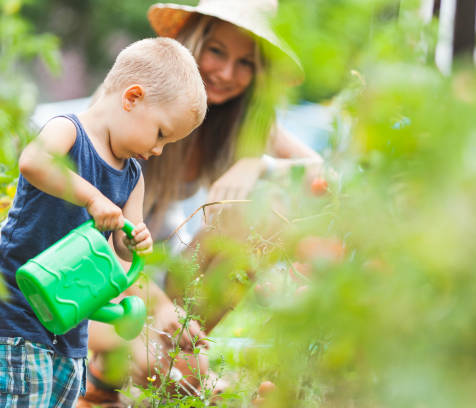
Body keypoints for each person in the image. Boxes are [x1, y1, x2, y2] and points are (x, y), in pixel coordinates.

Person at [80, 0, 324, 406]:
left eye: (246, 63)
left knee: (264, 211)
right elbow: (97, 232)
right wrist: (153, 304)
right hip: (108, 265)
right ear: (193, 42)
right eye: (216, 51)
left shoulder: (244, 120)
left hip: (163, 268)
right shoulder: (137, 99)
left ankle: (173, 347)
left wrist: (254, 164)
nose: (227, 73)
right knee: (170, 375)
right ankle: (107, 373)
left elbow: (318, 174)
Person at [0, 37, 207, 408]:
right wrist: (92, 197)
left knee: (61, 396)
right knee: (26, 396)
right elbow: (34, 162)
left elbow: (121, 247)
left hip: (71, 312)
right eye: (161, 134)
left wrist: (134, 243)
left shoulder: (132, 176)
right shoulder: (67, 131)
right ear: (132, 98)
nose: (157, 150)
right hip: (21, 301)